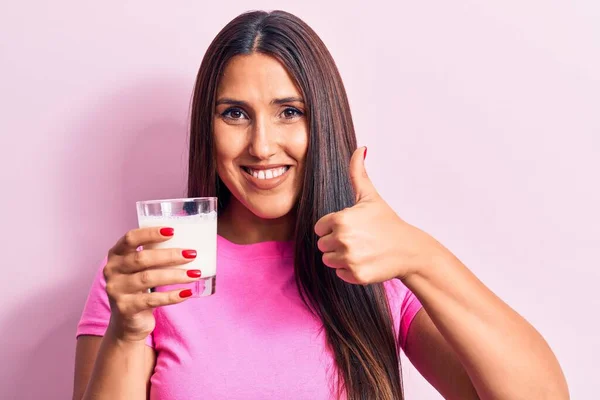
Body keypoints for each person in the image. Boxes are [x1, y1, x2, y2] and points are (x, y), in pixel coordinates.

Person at [73, 10, 569, 400]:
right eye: (235, 114)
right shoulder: (148, 272)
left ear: (324, 124)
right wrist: (125, 332)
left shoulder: (375, 268)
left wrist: (422, 256)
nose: (262, 146)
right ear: (208, 127)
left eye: (290, 112)